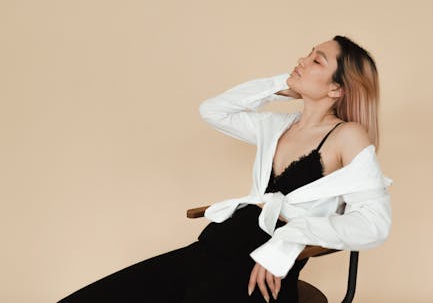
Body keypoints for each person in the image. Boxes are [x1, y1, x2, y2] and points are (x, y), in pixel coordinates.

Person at [57, 35, 393, 303]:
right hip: (213, 249)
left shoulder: (347, 135)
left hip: (259, 270)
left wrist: (285, 242)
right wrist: (281, 84)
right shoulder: (278, 126)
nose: (303, 60)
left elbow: (374, 224)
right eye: (308, 53)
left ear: (336, 88)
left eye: (316, 60)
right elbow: (214, 111)